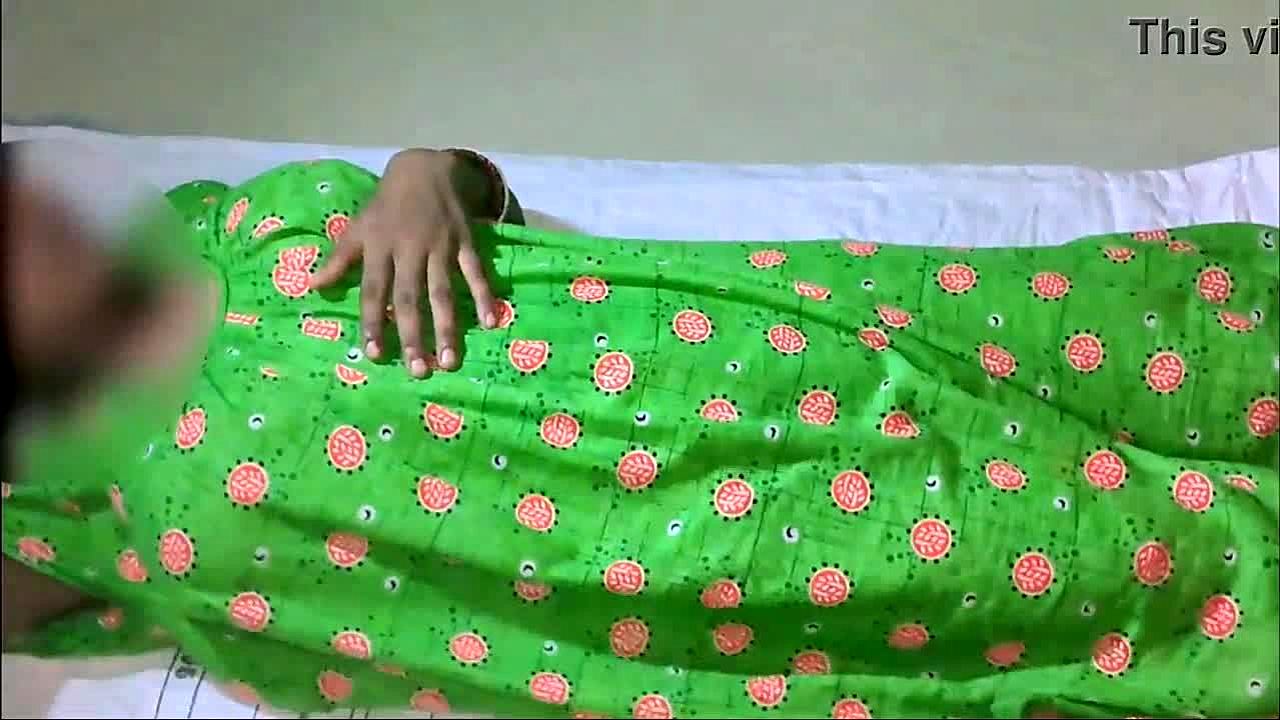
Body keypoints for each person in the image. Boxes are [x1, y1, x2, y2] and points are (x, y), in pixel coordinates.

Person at [1, 140, 1277, 719]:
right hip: (712, 532)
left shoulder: (216, 220)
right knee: (1085, 553)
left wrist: (422, 175)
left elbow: (481, 196)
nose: (35, 209)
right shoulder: (94, 507)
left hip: (759, 324)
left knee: (1112, 339)